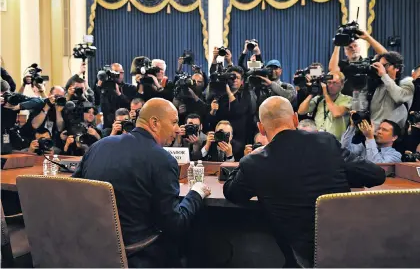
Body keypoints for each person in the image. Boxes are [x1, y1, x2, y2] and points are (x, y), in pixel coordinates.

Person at [223, 96, 385, 268]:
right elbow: (376, 175)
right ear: (295, 118)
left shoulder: (254, 163)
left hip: (300, 256)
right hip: (348, 249)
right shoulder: (326, 142)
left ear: (261, 129)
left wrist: (249, 157)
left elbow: (232, 192)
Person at [73, 98, 211, 267]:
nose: (177, 129)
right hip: (138, 254)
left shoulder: (98, 146)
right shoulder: (162, 160)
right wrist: (196, 193)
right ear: (154, 123)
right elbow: (175, 225)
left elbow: (73, 191)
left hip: (90, 252)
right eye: (174, 122)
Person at [297, 71, 352, 140]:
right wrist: (311, 93)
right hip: (318, 140)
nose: (331, 86)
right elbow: (301, 111)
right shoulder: (319, 99)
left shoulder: (347, 99)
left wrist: (326, 94)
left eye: (334, 83)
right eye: (329, 83)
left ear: (342, 84)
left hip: (336, 142)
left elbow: (336, 113)